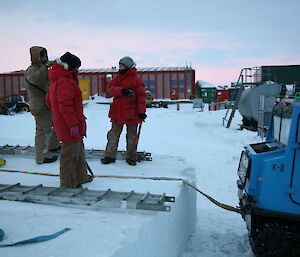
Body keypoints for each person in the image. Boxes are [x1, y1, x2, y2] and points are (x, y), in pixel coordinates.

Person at [46, 52, 93, 188]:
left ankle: (80, 177)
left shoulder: (58, 80)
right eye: (76, 68)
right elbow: (65, 106)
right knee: (69, 155)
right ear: (69, 67)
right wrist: (72, 124)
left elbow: (49, 102)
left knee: (78, 152)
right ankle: (68, 184)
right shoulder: (64, 82)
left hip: (70, 122)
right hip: (69, 125)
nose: (77, 70)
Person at [101, 56, 147, 166]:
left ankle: (131, 156)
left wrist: (141, 112)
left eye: (122, 65)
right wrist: (122, 91)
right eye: (119, 65)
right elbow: (111, 88)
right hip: (117, 112)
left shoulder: (136, 80)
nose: (119, 67)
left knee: (132, 136)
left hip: (132, 113)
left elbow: (141, 97)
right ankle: (110, 156)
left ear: (127, 66)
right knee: (113, 135)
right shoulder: (117, 78)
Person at [25, 46, 60, 164]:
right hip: (40, 107)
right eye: (42, 56)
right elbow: (36, 79)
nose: (45, 58)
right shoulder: (32, 70)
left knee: (56, 126)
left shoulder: (43, 68)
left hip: (48, 105)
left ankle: (53, 146)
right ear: (36, 57)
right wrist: (45, 67)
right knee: (42, 131)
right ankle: (41, 157)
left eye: (45, 55)